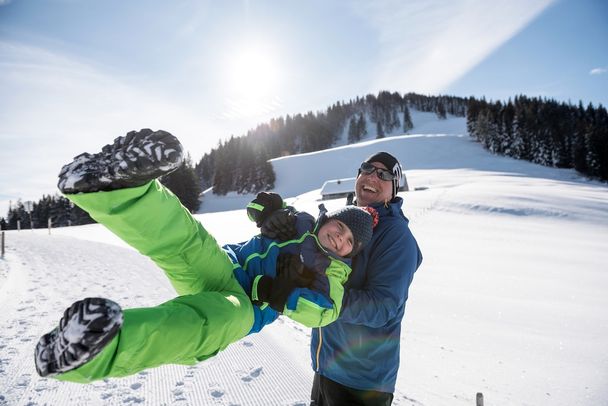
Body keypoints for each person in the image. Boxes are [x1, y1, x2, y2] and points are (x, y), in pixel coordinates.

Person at [34, 129, 377, 383]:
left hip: (245, 305)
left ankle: (92, 351)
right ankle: (114, 188)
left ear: (349, 254)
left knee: (213, 323)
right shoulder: (299, 221)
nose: (339, 238)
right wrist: (267, 211)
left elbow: (325, 313)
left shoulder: (332, 273)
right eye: (339, 226)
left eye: (348, 242)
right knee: (186, 240)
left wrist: (283, 292)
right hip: (222, 265)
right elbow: (255, 207)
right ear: (328, 219)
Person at [259, 152, 423, 405]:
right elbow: (309, 247)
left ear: (394, 190)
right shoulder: (344, 219)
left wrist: (321, 298)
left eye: (384, 174)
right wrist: (280, 219)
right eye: (367, 169)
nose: (372, 176)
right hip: (326, 365)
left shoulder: (396, 237)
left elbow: (383, 306)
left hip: (363, 382)